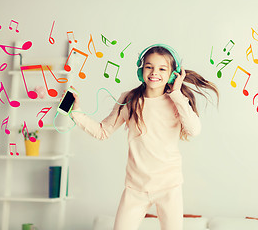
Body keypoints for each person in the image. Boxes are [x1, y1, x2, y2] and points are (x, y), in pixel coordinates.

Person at [70, 44, 219, 230]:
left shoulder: (176, 101)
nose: (154, 72)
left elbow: (194, 130)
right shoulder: (129, 100)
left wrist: (176, 93)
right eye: (149, 66)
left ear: (173, 74)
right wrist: (76, 113)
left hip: (169, 186)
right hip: (136, 188)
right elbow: (103, 131)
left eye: (162, 69)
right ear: (141, 70)